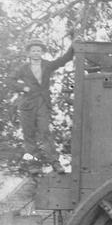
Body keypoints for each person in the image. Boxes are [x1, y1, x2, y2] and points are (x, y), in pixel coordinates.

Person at [10, 37, 75, 173]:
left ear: (42, 52)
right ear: (29, 53)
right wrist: (23, 88)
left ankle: (55, 163)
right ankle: (33, 165)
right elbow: (10, 80)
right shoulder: (23, 68)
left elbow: (63, 60)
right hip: (27, 105)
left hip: (42, 103)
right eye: (33, 51)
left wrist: (73, 46)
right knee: (29, 135)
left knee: (45, 133)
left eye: (38, 51)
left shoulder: (47, 65)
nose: (36, 53)